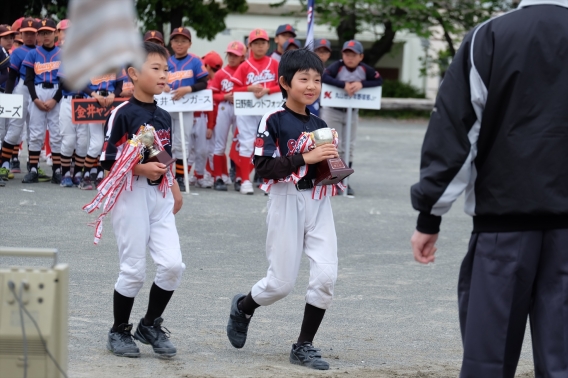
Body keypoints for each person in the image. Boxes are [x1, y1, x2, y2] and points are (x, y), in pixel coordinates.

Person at [411, 1, 568, 376]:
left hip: (503, 228)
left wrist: (430, 216)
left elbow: (457, 132)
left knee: (489, 362)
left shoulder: (492, 35)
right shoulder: (489, 34)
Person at [226, 48, 341, 370]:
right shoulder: (273, 119)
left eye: (317, 79)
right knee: (280, 284)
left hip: (318, 202)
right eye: (303, 78)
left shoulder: (319, 122)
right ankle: (244, 307)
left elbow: (323, 166)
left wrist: (333, 165)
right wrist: (306, 158)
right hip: (286, 200)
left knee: (326, 276)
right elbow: (263, 167)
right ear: (284, 83)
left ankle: (304, 345)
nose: (311, 85)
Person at [99, 41, 184, 358]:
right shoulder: (121, 114)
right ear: (133, 73)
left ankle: (149, 324)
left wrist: (173, 186)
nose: (164, 75)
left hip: (160, 197)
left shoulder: (164, 116)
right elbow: (107, 161)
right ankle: (119, 330)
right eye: (156, 68)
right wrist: (139, 168)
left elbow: (164, 156)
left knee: (173, 265)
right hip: (130, 196)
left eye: (166, 69)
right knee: (133, 270)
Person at [321, 40, 382, 196]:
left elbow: (378, 79)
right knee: (331, 146)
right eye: (347, 54)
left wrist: (361, 84)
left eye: (353, 55)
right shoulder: (337, 67)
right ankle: (331, 180)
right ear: (342, 55)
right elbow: (324, 77)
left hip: (352, 111)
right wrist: (343, 84)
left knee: (348, 147)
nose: (350, 58)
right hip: (332, 110)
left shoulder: (364, 69)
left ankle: (343, 181)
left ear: (361, 56)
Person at [230, 28, 280, 195]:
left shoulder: (274, 64)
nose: (259, 46)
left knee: (271, 145)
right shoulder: (244, 66)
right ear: (249, 46)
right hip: (247, 111)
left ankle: (269, 181)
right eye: (256, 43)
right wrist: (249, 88)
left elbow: (283, 84)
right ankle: (245, 180)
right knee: (246, 144)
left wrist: (268, 90)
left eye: (263, 43)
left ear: (268, 45)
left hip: (269, 110)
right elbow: (234, 89)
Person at [165, 26, 208, 192]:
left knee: (182, 144)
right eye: (176, 40)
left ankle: (180, 177)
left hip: (186, 107)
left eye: (183, 41)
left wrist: (187, 89)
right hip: (167, 107)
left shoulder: (195, 61)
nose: (179, 44)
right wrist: (163, 85)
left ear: (189, 43)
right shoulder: (167, 62)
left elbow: (204, 82)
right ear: (171, 43)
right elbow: (157, 79)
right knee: (164, 142)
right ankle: (166, 174)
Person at [21, 18, 63, 184]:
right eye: (42, 32)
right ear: (38, 35)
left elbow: (65, 81)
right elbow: (29, 79)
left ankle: (57, 170)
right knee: (36, 133)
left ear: (56, 34)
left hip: (56, 93)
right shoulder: (32, 54)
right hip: (38, 92)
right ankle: (33, 169)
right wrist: (35, 99)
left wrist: (55, 99)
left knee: (57, 133)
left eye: (49, 32)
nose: (46, 35)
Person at [2, 18, 40, 182]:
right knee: (14, 128)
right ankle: (4, 165)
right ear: (21, 34)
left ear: (37, 34)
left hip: (38, 89)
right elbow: (11, 77)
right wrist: (8, 97)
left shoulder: (42, 51)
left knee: (36, 130)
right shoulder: (17, 52)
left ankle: (33, 167)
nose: (29, 37)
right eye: (26, 33)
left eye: (32, 34)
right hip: (21, 89)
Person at [209, 41, 246, 191]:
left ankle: (238, 178)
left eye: (235, 55)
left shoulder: (245, 71)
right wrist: (225, 96)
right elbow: (211, 94)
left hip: (242, 108)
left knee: (240, 144)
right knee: (220, 143)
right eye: (230, 54)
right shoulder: (221, 73)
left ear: (242, 56)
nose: (231, 57)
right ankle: (218, 177)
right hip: (224, 108)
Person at [79, 70, 125, 190]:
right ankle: (85, 176)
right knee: (96, 143)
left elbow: (120, 85)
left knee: (107, 140)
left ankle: (100, 175)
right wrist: (94, 95)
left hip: (111, 100)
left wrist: (113, 94)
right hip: (93, 100)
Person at [187, 51, 223, 188]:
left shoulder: (205, 85)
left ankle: (200, 175)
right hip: (188, 116)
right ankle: (183, 175)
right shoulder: (188, 83)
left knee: (202, 150)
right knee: (186, 149)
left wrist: (210, 126)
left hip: (202, 118)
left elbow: (210, 108)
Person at [57, 65, 88, 187]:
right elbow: (63, 84)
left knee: (83, 141)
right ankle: (65, 174)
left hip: (86, 102)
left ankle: (77, 174)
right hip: (69, 101)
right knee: (69, 140)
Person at [307, 38, 332, 117]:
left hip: (325, 106)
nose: (321, 54)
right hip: (308, 105)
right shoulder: (305, 69)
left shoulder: (331, 71)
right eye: (319, 51)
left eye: (324, 51)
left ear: (329, 54)